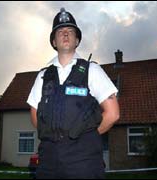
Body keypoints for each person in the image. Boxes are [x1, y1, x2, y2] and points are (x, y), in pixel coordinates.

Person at [27, 7, 120, 179]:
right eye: (60, 31)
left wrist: (84, 138)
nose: (65, 34)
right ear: (54, 42)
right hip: (48, 163)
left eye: (70, 31)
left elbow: (113, 114)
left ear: (77, 40)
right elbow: (35, 116)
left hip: (84, 163)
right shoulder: (42, 75)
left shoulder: (92, 70)